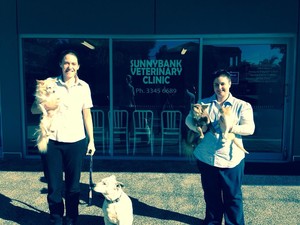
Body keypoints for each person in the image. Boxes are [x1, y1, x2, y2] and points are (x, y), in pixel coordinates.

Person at [31, 50, 96, 225]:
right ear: (61, 65)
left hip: (76, 142)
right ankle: (56, 220)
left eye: (73, 64)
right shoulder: (50, 83)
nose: (70, 66)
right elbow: (33, 109)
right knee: (54, 187)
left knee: (73, 187)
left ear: (78, 67)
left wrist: (91, 140)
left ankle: (71, 220)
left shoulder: (84, 87)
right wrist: (46, 105)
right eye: (66, 63)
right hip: (52, 142)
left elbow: (87, 115)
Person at [185, 69, 255, 225]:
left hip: (232, 160)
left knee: (233, 196)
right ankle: (212, 222)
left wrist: (230, 128)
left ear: (229, 84)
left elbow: (250, 128)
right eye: (216, 84)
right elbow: (188, 120)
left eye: (222, 84)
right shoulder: (204, 103)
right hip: (207, 158)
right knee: (211, 195)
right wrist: (196, 128)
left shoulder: (241, 105)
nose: (219, 88)